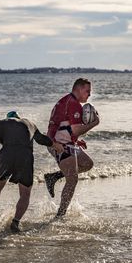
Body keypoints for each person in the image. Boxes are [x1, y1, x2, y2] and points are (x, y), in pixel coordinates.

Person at [44, 78, 100, 217]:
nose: (89, 95)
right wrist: (95, 123)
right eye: (87, 91)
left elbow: (67, 127)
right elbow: (75, 130)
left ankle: (54, 177)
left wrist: (76, 140)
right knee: (72, 179)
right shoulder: (73, 104)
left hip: (66, 142)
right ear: (79, 89)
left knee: (87, 164)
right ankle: (60, 215)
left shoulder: (69, 101)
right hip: (58, 144)